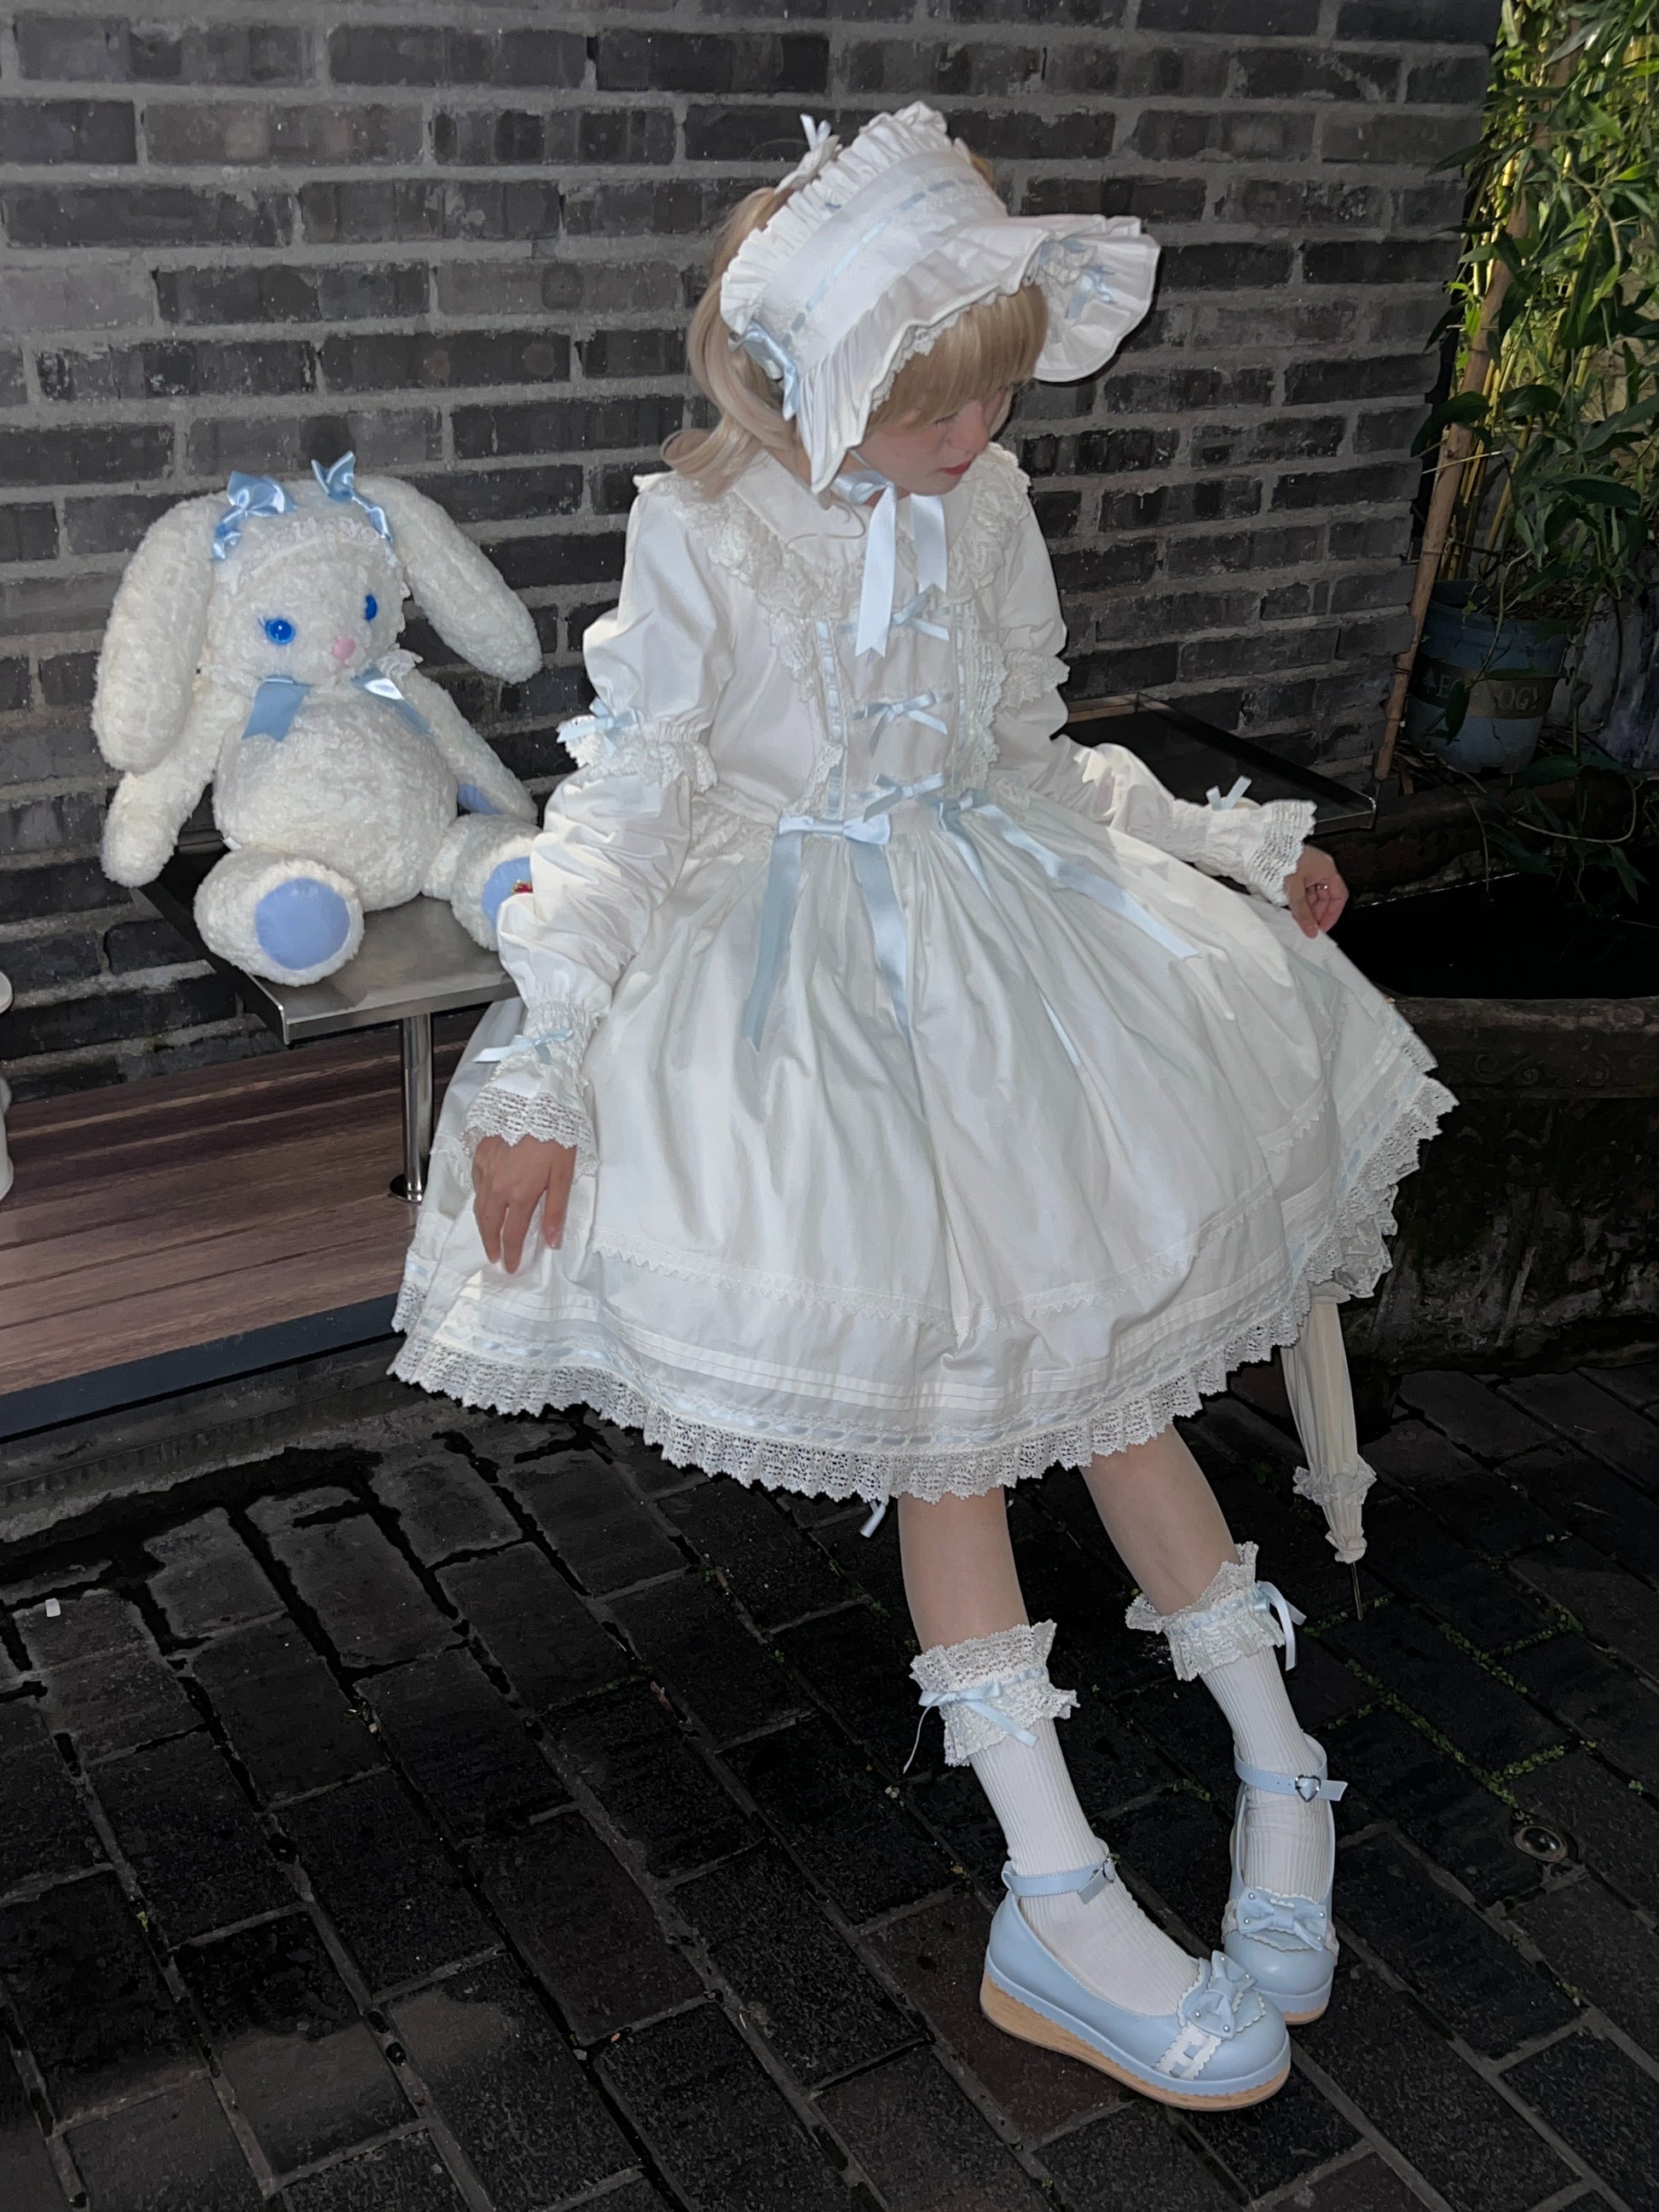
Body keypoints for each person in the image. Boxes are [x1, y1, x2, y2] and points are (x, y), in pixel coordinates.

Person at [395, 104, 1454, 2110]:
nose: (976, 436)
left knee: (1119, 1381)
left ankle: (1275, 1754)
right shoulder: (705, 531)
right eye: (934, 403)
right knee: (951, 1424)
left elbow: (1031, 753)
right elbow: (626, 804)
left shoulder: (989, 502)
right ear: (818, 375)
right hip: (811, 1006)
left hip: (1009, 962)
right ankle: (1052, 1889)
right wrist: (538, 1061)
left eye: (994, 396)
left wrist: (1228, 849)